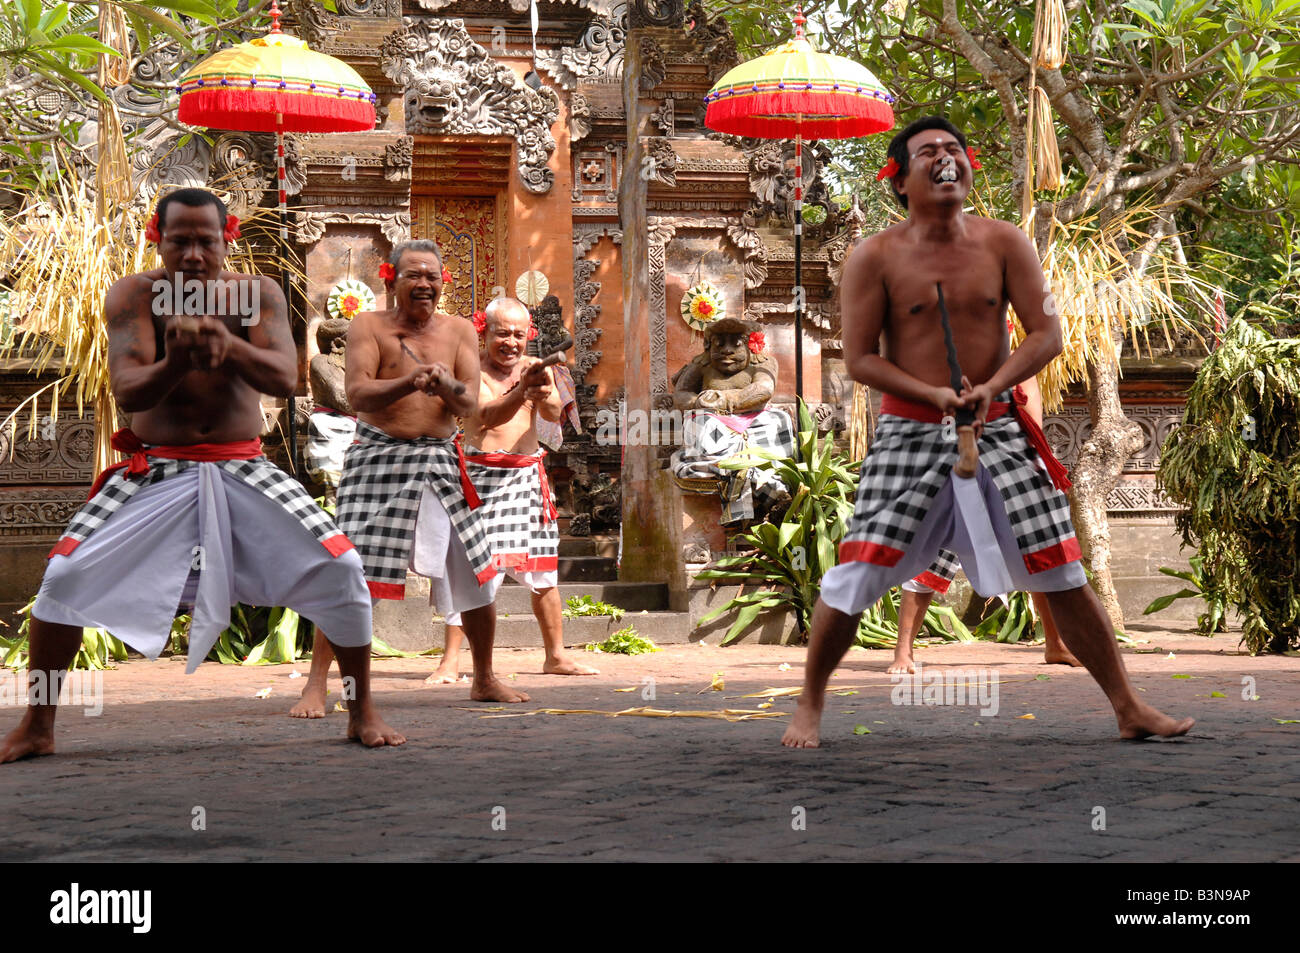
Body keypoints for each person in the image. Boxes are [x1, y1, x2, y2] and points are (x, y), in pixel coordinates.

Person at [781, 117, 1194, 747]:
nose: (944, 157)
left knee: (1062, 570)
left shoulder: (1005, 243)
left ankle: (1129, 705)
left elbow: (1046, 333)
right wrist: (935, 394)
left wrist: (991, 387)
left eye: (953, 149)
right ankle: (809, 706)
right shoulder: (876, 255)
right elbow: (861, 357)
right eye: (927, 152)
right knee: (858, 573)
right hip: (908, 435)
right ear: (898, 178)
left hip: (998, 430)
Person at [1, 187, 403, 763]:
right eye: (179, 240)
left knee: (342, 568)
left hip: (242, 465)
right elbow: (128, 388)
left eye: (205, 241)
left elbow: (285, 378)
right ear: (156, 238)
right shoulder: (135, 295)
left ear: (227, 238)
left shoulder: (252, 294)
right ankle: (38, 725)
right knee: (63, 581)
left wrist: (227, 347)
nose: (192, 254)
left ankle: (363, 710)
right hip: (157, 469)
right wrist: (179, 359)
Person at [290, 239, 529, 716]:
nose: (424, 284)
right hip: (378, 457)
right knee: (348, 571)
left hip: (440, 455)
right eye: (413, 275)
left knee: (477, 569)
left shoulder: (459, 330)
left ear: (443, 283)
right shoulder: (367, 325)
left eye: (432, 276)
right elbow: (357, 393)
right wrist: (409, 381)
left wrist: (445, 384)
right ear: (390, 279)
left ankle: (482, 677)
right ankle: (316, 685)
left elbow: (470, 408)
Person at [428, 298, 598, 682]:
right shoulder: (470, 372)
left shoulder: (532, 368)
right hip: (479, 479)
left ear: (529, 336)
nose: (511, 342)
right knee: (468, 571)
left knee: (544, 572)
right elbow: (486, 417)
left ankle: (555, 656)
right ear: (483, 332)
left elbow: (554, 413)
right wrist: (522, 391)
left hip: (525, 478)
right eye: (502, 333)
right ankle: (451, 661)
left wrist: (542, 391)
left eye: (519, 334)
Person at [890, 375, 1081, 674]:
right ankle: (903, 652)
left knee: (1036, 552)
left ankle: (1056, 644)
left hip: (1009, 467)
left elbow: (1032, 422)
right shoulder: (940, 364)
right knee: (931, 556)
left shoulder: (1018, 365)